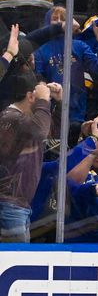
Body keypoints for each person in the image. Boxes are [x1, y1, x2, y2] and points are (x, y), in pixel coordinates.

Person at [0, 74, 61, 242]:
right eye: (42, 94)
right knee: (15, 261)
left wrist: (57, 103)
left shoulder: (25, 122)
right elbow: (40, 131)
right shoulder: (11, 117)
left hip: (18, 206)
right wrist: (43, 101)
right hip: (8, 206)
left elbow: (51, 133)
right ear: (30, 95)